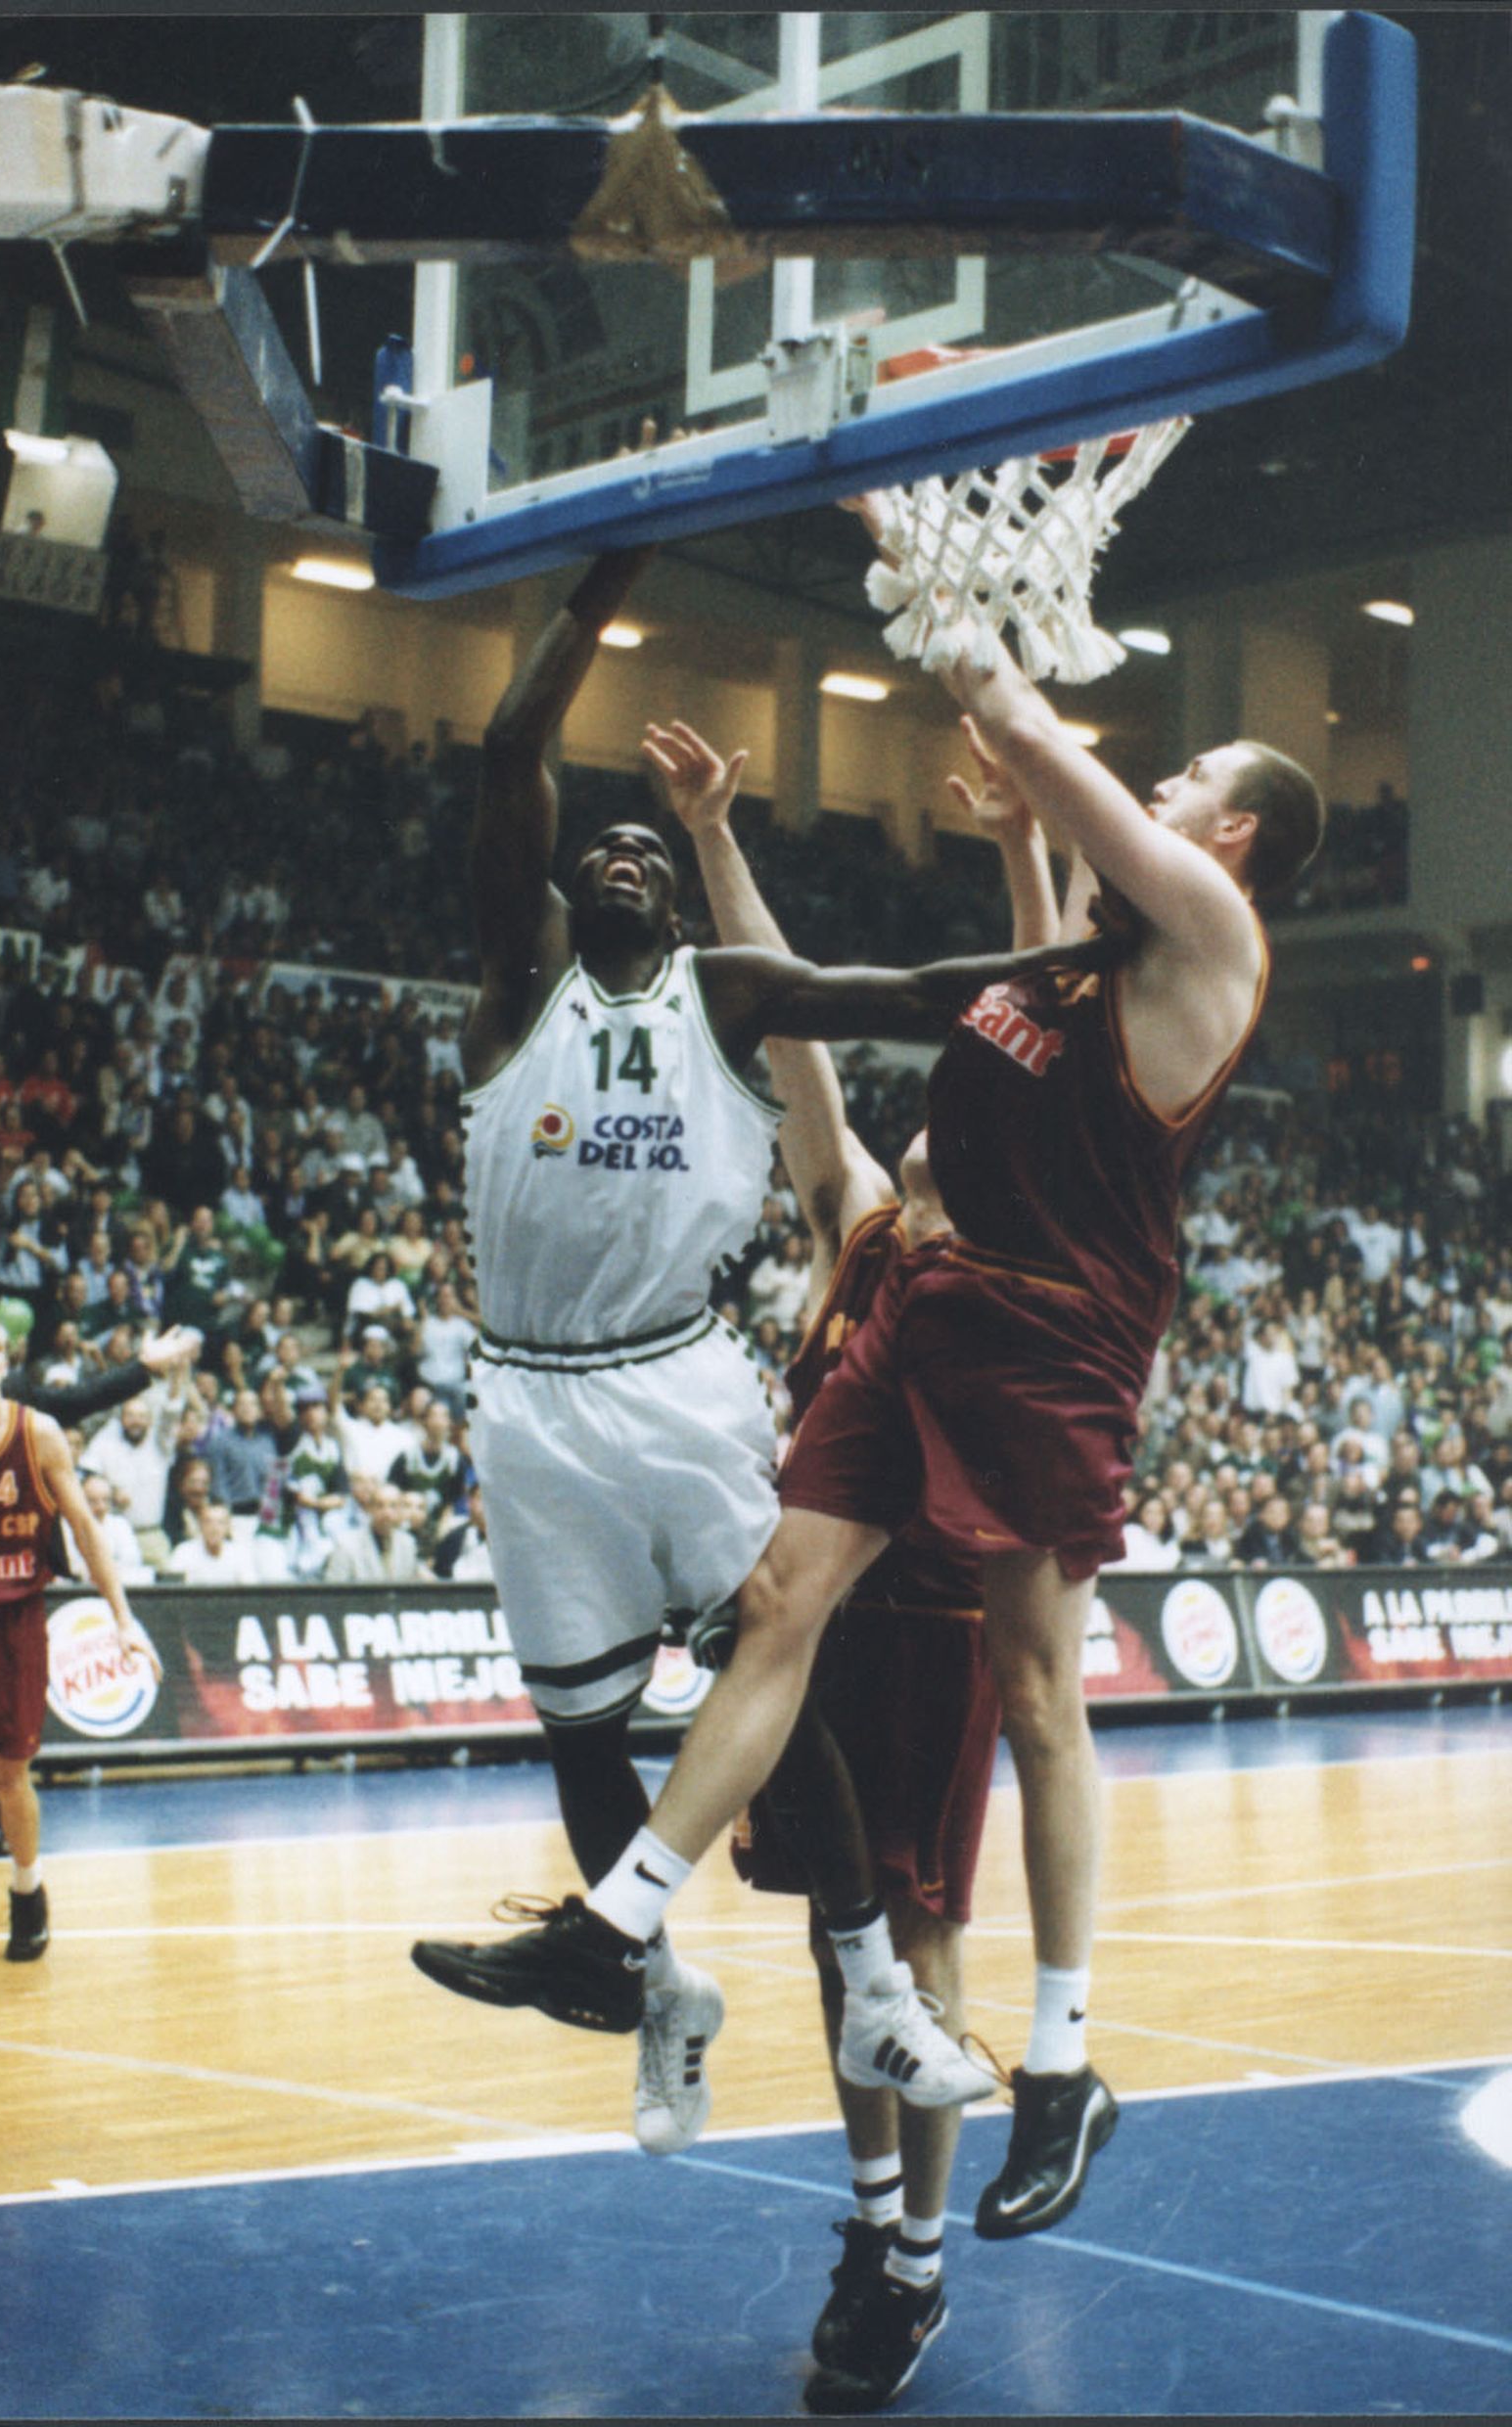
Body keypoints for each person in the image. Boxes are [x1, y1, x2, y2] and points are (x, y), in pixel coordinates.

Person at [415, 563, 1323, 2247]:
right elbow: (836, 1037)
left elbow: (935, 945)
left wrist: (979, 656)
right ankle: (625, 1941)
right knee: (778, 1639)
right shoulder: (897, 1206)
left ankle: (1040, 2083)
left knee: (979, 1819)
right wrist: (737, 840)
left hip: (1031, 1398)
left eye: (1195, 783)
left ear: (1234, 844)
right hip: (890, 1449)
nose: (1173, 782)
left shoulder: (1207, 938)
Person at [671, 746, 1063, 2409]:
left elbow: (1059, 1040)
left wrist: (1026, 852)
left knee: (920, 1945)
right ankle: (874, 2224)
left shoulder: (1018, 1256)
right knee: (849, 1964)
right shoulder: (860, 1226)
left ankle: (917, 2267)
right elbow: (796, 1031)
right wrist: (709, 836)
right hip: (817, 1639)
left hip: (937, 1635)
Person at [0, 1311, 160, 1956]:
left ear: (7, 1363)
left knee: (9, 1774)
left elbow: (87, 1533)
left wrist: (123, 1617)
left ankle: (26, 1889)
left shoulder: (37, 1434)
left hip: (13, 1619)